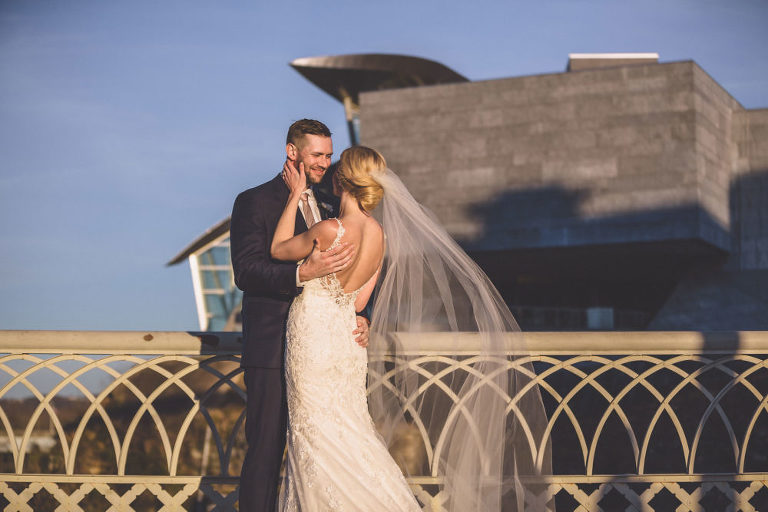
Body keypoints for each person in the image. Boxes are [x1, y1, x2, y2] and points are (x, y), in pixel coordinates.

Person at [270, 146, 552, 511]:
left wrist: (294, 196)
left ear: (341, 181)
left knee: (313, 433)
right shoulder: (378, 235)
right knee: (350, 430)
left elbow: (277, 250)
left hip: (312, 339)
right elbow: (356, 303)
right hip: (347, 342)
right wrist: (362, 316)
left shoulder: (328, 229)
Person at [230, 119, 371, 512]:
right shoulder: (254, 201)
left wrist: (363, 316)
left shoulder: (332, 204)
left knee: (329, 451)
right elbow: (246, 271)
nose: (325, 163)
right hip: (273, 348)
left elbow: (353, 270)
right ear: (292, 151)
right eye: (317, 155)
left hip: (324, 353)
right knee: (266, 451)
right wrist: (301, 273)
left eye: (329, 155)